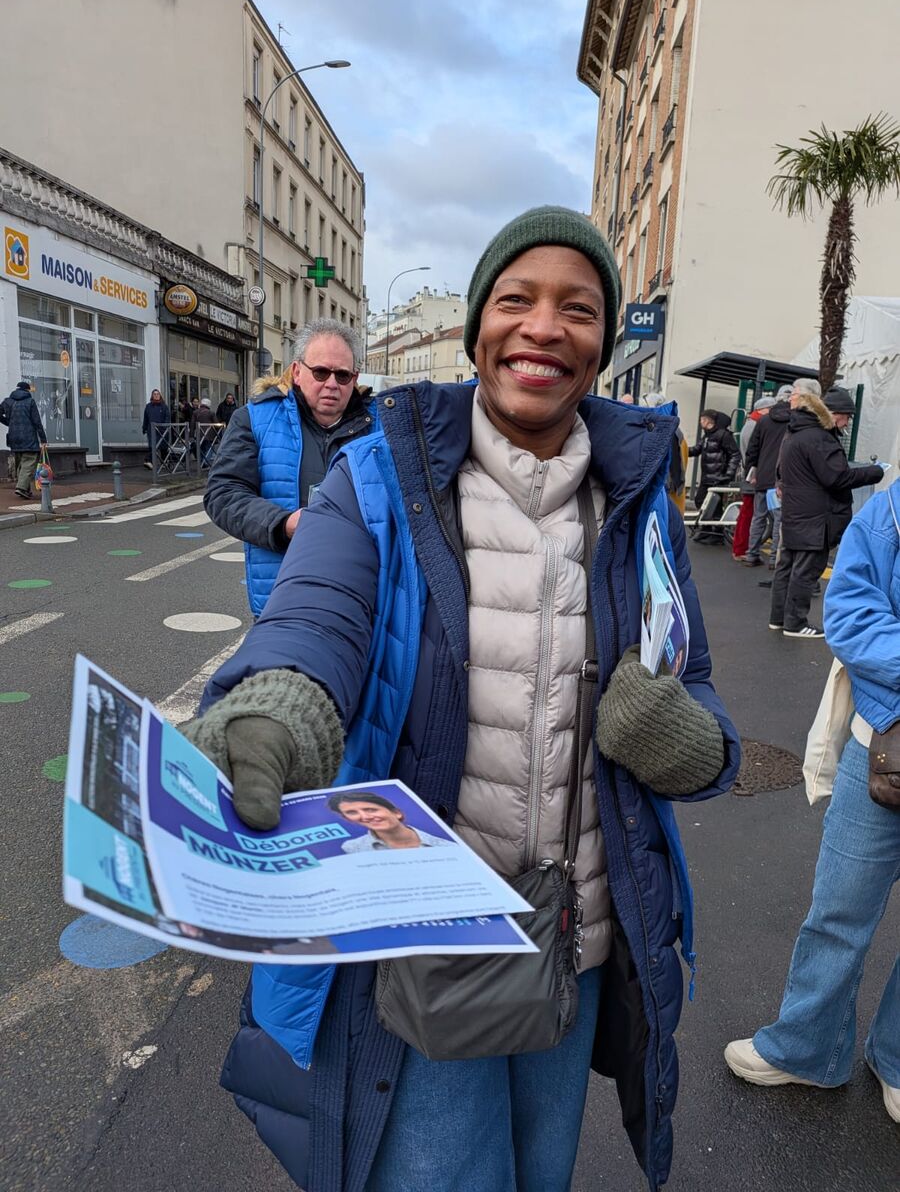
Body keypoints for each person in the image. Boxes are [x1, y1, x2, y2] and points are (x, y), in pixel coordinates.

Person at [184, 206, 740, 1192]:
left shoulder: (639, 501)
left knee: (538, 1172)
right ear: (479, 326)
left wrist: (685, 743)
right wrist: (277, 708)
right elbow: (314, 614)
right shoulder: (379, 476)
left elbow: (691, 687)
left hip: (577, 933)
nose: (543, 326)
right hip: (427, 935)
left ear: (603, 344)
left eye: (577, 307)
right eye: (517, 299)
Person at [726, 481, 900, 1123]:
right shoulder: (892, 511)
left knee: (839, 910)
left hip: (886, 730)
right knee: (838, 909)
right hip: (885, 740)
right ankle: (806, 1048)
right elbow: (852, 614)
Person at [204, 319, 377, 617]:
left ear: (355, 377)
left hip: (363, 598)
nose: (332, 384)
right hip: (284, 597)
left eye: (343, 375)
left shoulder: (382, 427)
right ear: (297, 372)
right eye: (321, 372)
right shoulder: (256, 419)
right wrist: (283, 524)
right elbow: (223, 494)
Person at [769, 388, 883, 639]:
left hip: (795, 510)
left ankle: (778, 619)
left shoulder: (794, 433)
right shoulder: (820, 438)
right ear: (833, 414)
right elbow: (837, 477)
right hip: (817, 515)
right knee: (806, 571)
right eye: (846, 416)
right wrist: (874, 472)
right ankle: (795, 623)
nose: (847, 422)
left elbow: (780, 471)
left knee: (787, 567)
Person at [742, 387, 793, 567]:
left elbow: (752, 450)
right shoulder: (794, 422)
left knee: (758, 516)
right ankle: (774, 559)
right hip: (781, 478)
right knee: (779, 519)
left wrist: (752, 472)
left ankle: (751, 554)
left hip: (762, 477)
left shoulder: (763, 421)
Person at [328, 791, 454, 852]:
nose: (365, 816)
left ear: (397, 813)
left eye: (371, 809)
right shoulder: (351, 848)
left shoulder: (447, 847)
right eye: (352, 813)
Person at [732, 395, 777, 559]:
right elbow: (753, 451)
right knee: (750, 513)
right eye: (771, 409)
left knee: (749, 512)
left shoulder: (749, 424)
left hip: (751, 473)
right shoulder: (756, 426)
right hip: (755, 475)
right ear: (763, 410)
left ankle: (741, 548)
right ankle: (742, 548)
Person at [688, 409, 740, 544]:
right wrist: (682, 450)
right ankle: (706, 529)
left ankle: (716, 534)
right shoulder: (707, 435)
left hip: (718, 477)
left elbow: (735, 455)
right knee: (700, 501)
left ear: (708, 421)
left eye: (702, 419)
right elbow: (696, 449)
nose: (700, 422)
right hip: (708, 476)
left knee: (715, 507)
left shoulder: (723, 435)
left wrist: (728, 474)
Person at [643, 390, 689, 515]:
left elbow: (672, 472)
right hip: (670, 496)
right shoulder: (676, 432)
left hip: (666, 496)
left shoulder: (666, 432)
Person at [0, 379, 47, 499]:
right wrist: (43, 439)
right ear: (27, 390)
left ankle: (25, 491)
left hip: (14, 437)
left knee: (21, 464)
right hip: (29, 437)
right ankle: (21, 487)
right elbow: (37, 422)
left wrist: (9, 423)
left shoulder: (7, 401)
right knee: (29, 463)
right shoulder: (30, 401)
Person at [141, 388, 170, 468]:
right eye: (155, 394)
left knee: (163, 447)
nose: (156, 396)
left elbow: (167, 418)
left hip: (162, 430)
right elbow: (146, 418)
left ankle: (165, 461)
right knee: (153, 446)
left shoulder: (164, 406)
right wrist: (144, 428)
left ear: (160, 396)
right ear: (152, 396)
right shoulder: (148, 406)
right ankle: (149, 461)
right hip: (152, 429)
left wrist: (165, 427)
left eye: (158, 394)